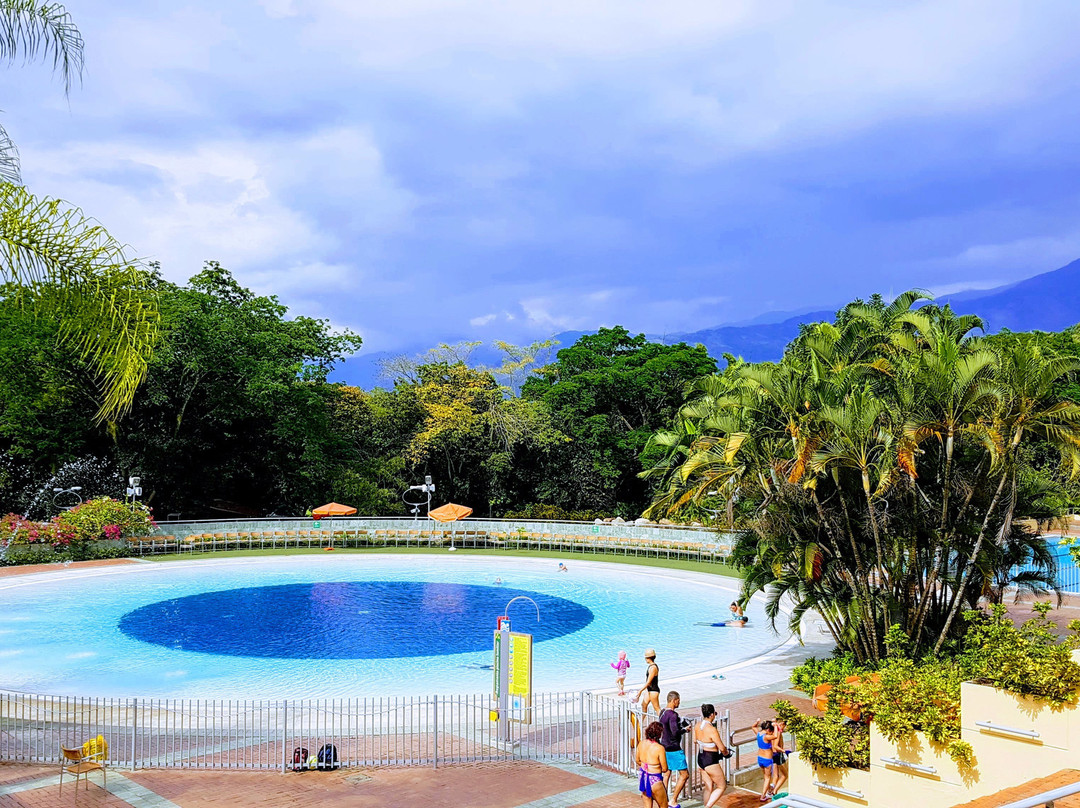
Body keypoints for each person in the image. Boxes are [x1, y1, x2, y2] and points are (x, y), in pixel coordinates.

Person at [695, 704, 732, 808]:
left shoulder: (697, 725)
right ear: (711, 715)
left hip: (701, 758)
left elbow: (695, 741)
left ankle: (706, 805)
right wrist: (726, 753)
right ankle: (707, 807)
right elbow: (722, 747)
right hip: (710, 760)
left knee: (708, 786)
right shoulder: (712, 729)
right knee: (721, 786)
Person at [658, 691, 689, 808]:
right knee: (685, 775)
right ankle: (673, 800)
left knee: (666, 774)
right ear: (673, 700)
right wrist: (685, 729)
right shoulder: (673, 715)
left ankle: (663, 801)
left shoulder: (662, 712)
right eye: (678, 701)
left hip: (664, 746)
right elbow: (675, 732)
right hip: (674, 748)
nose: (679, 703)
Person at [636, 721, 669, 808]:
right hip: (655, 779)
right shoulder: (659, 748)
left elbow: (637, 760)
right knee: (663, 805)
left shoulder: (641, 744)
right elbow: (665, 768)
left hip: (643, 777)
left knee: (647, 805)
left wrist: (646, 767)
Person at [635, 649, 661, 715]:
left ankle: (663, 723)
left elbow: (649, 682)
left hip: (654, 691)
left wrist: (640, 691)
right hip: (649, 690)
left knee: (657, 708)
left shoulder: (653, 668)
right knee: (644, 705)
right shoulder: (650, 667)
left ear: (648, 658)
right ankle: (640, 723)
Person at [755, 719, 775, 802]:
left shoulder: (758, 734)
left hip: (760, 758)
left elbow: (753, 727)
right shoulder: (766, 736)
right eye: (771, 731)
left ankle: (769, 790)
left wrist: (757, 722)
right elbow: (776, 736)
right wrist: (776, 726)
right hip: (767, 759)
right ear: (768, 730)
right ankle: (763, 796)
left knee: (765, 777)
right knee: (767, 778)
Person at [771, 718, 788, 796]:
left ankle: (772, 791)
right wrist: (785, 751)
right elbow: (775, 746)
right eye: (784, 726)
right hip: (778, 754)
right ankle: (774, 791)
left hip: (772, 754)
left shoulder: (772, 731)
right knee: (785, 775)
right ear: (781, 724)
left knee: (775, 775)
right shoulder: (778, 732)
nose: (784, 728)